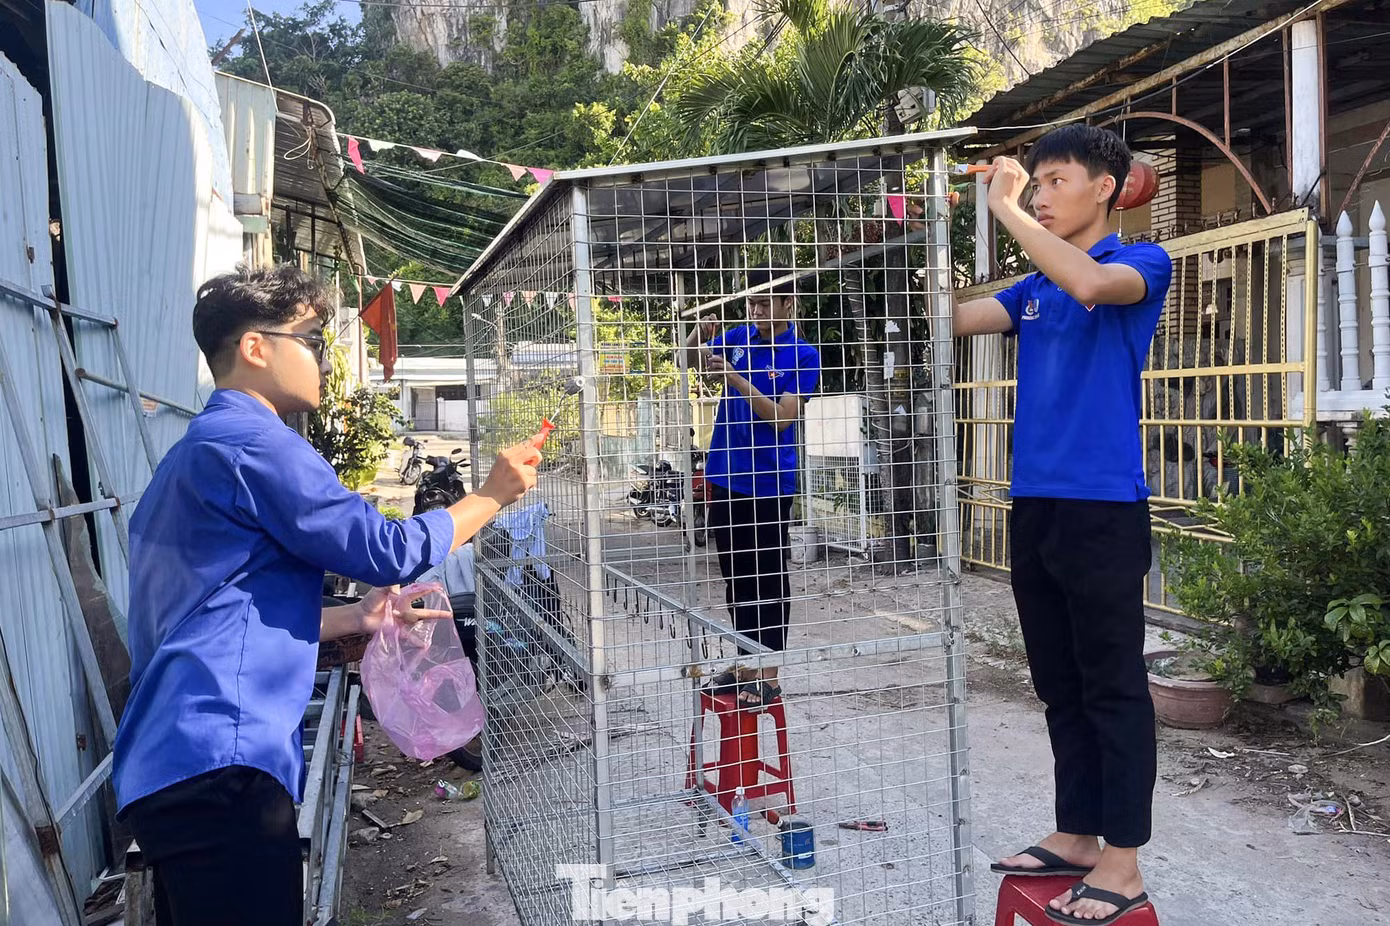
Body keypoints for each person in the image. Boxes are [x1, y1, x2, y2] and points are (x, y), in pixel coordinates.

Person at [112, 265, 542, 926]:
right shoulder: (254, 445)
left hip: (176, 759)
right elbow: (388, 550)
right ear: (256, 348)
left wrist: (355, 616)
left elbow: (213, 617)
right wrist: (490, 497)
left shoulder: (195, 455)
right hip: (225, 764)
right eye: (310, 337)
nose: (323, 355)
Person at [954, 126, 1172, 925]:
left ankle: (1123, 862)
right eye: (1033, 182)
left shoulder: (1140, 263)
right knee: (1059, 683)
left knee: (1113, 686)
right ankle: (1078, 833)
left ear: (1105, 188)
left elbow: (1086, 283)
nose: (1040, 192)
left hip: (1104, 507)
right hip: (1036, 501)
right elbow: (956, 319)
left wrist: (1009, 211)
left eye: (1055, 179)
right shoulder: (1031, 289)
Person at [685, 268, 821, 708]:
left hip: (769, 482)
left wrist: (737, 380)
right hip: (725, 476)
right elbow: (689, 360)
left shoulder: (802, 354)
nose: (757, 311)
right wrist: (696, 334)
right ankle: (745, 663)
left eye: (766, 303)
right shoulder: (738, 337)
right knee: (736, 575)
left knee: (768, 577)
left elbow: (781, 417)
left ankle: (769, 673)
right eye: (752, 304)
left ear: (788, 305)